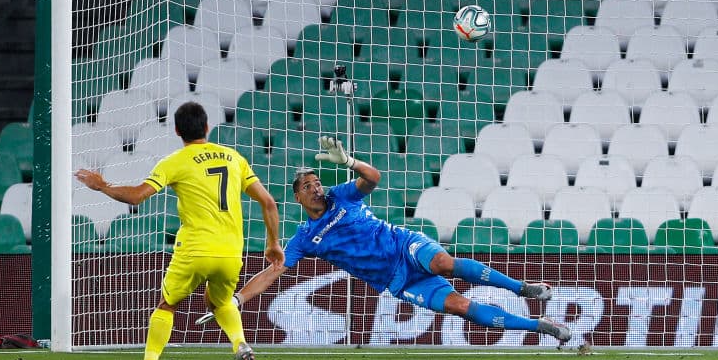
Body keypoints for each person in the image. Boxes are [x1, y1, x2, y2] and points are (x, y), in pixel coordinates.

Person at [197, 135, 572, 344]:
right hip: (397, 280)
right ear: (297, 197)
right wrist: (237, 298)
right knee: (460, 307)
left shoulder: (341, 194)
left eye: (317, 182)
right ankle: (542, 327)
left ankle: (524, 289)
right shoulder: (304, 238)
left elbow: (373, 179)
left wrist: (350, 162)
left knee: (443, 262)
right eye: (307, 186)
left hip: (401, 243)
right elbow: (275, 269)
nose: (316, 187)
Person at [75, 101, 283, 360]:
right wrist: (273, 243)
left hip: (195, 249)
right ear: (207, 126)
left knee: (167, 304)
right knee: (221, 302)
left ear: (176, 130)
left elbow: (137, 196)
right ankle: (241, 345)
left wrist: (104, 186)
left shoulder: (174, 162)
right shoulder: (234, 158)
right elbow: (269, 202)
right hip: (231, 251)